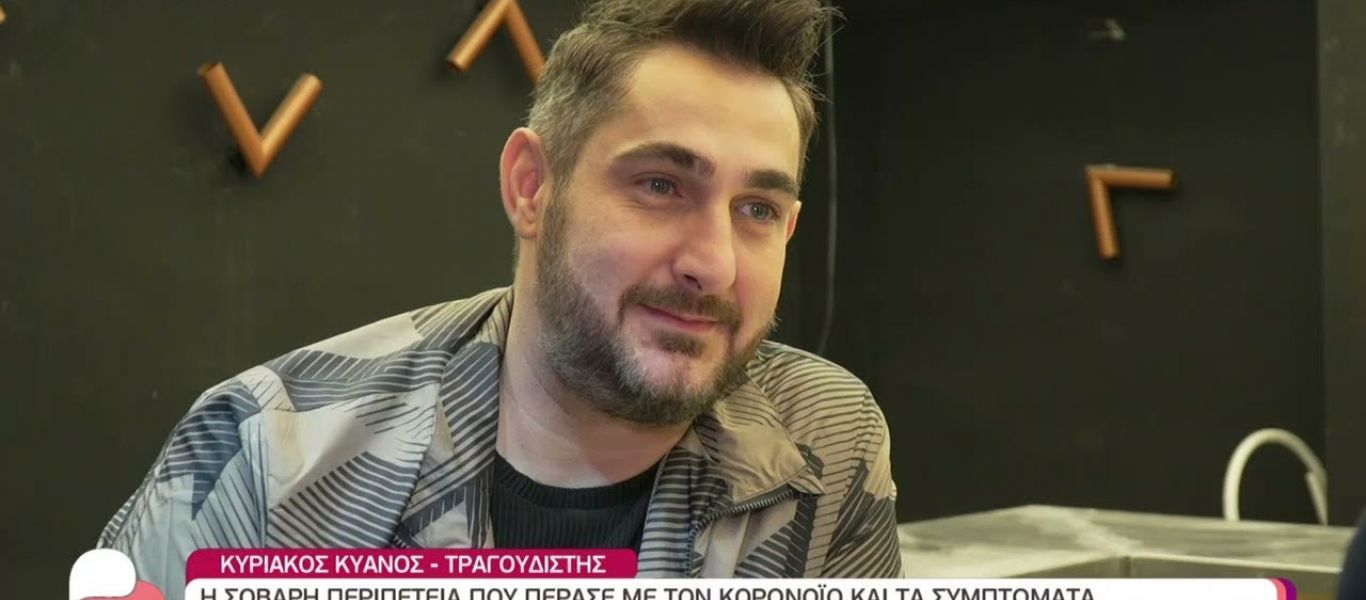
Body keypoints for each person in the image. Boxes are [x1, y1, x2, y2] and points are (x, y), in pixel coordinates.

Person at [98, 0, 901, 590]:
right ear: (531, 188)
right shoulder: (269, 454)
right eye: (660, 185)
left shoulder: (825, 438)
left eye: (757, 210)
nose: (714, 265)